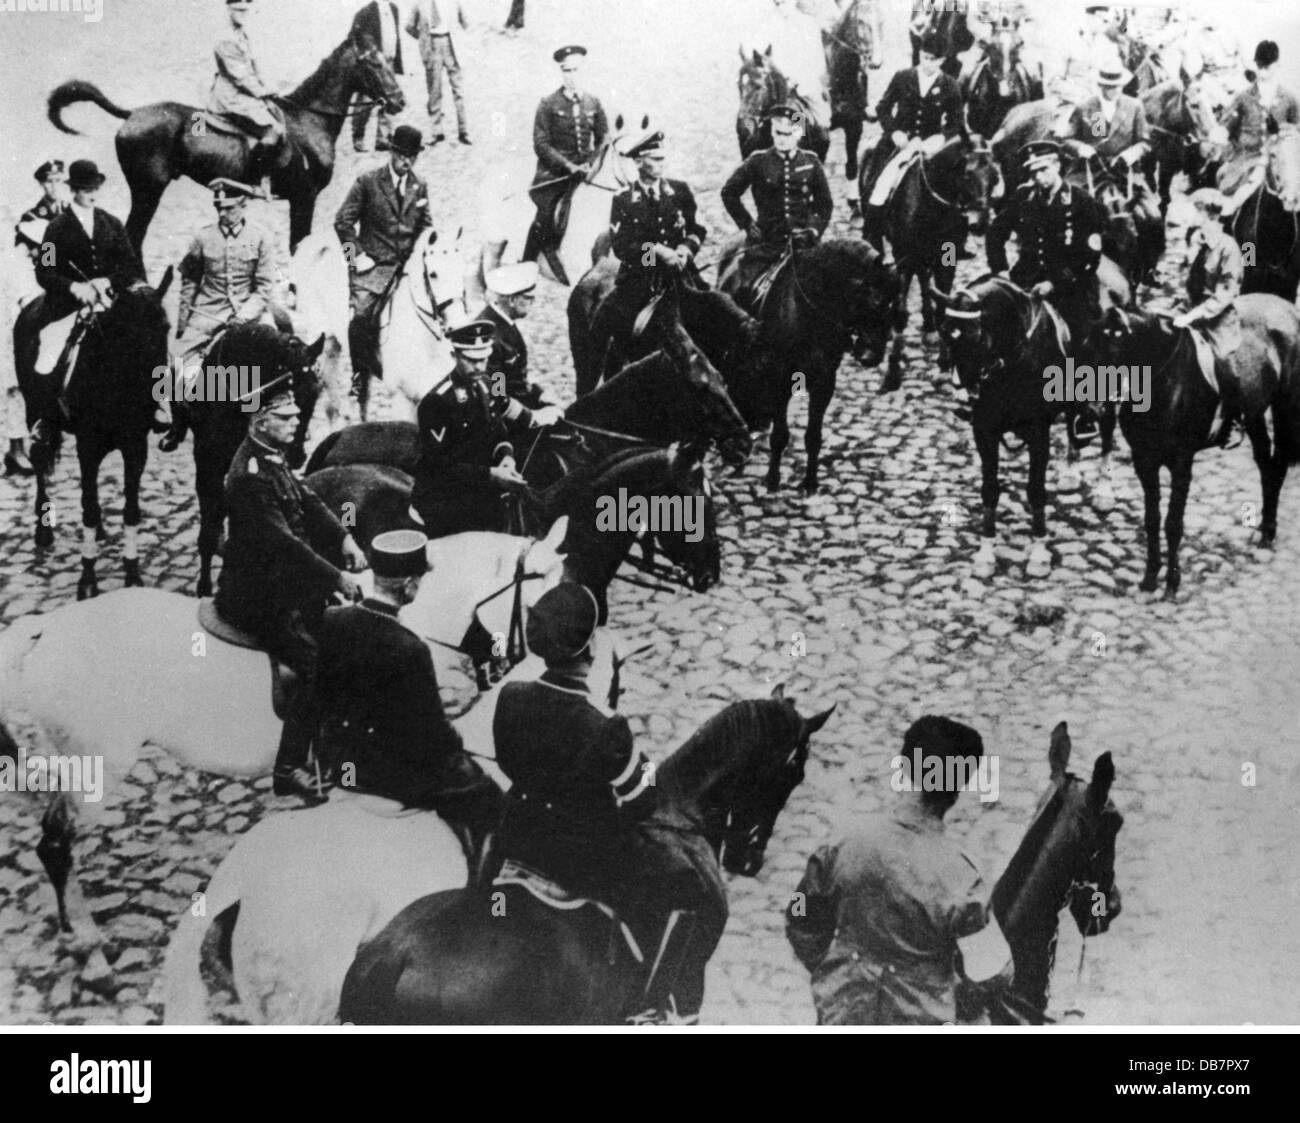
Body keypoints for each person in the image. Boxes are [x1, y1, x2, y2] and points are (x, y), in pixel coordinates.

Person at [493, 582, 713, 1023]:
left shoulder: (511, 697)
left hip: (518, 834)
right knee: (688, 891)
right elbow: (642, 797)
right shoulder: (604, 724)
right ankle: (653, 1004)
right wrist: (644, 765)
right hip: (581, 857)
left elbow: (506, 760)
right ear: (590, 646)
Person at [785, 716, 1011, 1025]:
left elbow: (799, 913)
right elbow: (991, 975)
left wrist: (832, 969)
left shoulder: (842, 842)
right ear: (960, 786)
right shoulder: (963, 879)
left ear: (903, 768)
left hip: (843, 1015)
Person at [315, 529, 503, 879]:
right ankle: (480, 892)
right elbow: (432, 737)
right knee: (492, 804)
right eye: (419, 580)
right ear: (408, 586)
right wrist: (462, 742)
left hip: (342, 758)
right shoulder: (410, 648)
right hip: (392, 775)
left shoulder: (334, 620)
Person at [214, 379, 368, 800]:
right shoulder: (248, 476)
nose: (296, 422)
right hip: (257, 596)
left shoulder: (270, 457)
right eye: (286, 417)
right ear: (262, 422)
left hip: (284, 583)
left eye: (296, 415)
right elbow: (285, 544)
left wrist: (343, 539)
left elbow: (309, 499)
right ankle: (288, 767)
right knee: (316, 665)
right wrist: (335, 577)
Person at [987, 140, 1105, 439]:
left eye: (1043, 170)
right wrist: (1001, 272)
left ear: (1057, 167)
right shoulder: (1023, 197)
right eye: (1032, 171)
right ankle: (987, 395)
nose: (1037, 177)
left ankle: (1084, 410)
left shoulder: (1080, 201)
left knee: (1083, 336)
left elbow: (1089, 256)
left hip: (1070, 285)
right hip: (1026, 279)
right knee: (994, 326)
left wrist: (1055, 283)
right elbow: (995, 233)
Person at [409, 319, 557, 540]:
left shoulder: (489, 383)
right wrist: (491, 475)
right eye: (471, 360)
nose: (479, 366)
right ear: (455, 356)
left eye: (484, 359)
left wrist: (506, 458)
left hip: (484, 490)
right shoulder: (437, 401)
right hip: (448, 501)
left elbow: (500, 432)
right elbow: (438, 467)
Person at [160, 178, 277, 452]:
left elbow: (264, 288)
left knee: (281, 352)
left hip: (251, 311)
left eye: (229, 208)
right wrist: (183, 324)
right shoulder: (202, 237)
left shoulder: (261, 237)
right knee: (174, 365)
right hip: (208, 312)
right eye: (219, 208)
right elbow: (190, 281)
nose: (223, 214)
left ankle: (282, 422)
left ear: (243, 204)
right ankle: (177, 425)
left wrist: (245, 316)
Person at [30, 160, 146, 431]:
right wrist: (74, 287)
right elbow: (44, 273)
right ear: (74, 191)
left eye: (95, 188)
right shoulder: (56, 228)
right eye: (85, 189)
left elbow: (130, 266)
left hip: (109, 303)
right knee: (48, 352)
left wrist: (107, 280)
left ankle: (149, 408)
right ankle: (45, 420)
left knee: (141, 341)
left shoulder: (112, 224)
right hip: (68, 307)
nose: (91, 194)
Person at [591, 130, 707, 378]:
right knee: (612, 326)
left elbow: (696, 228)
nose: (660, 165)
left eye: (663, 159)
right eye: (654, 159)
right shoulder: (623, 199)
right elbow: (622, 246)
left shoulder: (679, 191)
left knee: (711, 311)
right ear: (639, 162)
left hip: (680, 273)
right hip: (641, 279)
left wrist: (685, 249)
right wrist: (655, 252)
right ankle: (612, 377)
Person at [334, 124, 431, 396]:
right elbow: (343, 222)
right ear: (392, 152)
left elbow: (426, 225)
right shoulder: (368, 182)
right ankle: (358, 375)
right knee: (362, 316)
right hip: (373, 268)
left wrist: (422, 253)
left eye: (412, 156)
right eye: (402, 155)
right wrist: (357, 258)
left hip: (407, 266)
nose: (407, 162)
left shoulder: (419, 185)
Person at [861, 30, 964, 252]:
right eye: (925, 58)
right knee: (881, 185)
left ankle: (953, 246)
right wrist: (894, 132)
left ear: (942, 61)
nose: (928, 63)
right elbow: (883, 108)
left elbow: (956, 122)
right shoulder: (903, 77)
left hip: (931, 143)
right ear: (919, 55)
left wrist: (941, 137)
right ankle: (872, 234)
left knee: (954, 192)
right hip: (900, 142)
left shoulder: (950, 85)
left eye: (933, 60)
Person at [720, 103, 833, 302]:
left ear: (798, 134)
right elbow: (729, 193)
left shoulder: (811, 162)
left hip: (805, 245)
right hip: (767, 244)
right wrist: (747, 224)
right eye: (777, 133)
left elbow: (824, 204)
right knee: (744, 293)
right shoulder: (758, 161)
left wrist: (814, 230)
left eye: (787, 134)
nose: (782, 139)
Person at [6, 159, 68, 475]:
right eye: (50, 181)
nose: (56, 186)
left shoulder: (73, 214)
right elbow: (35, 267)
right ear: (42, 185)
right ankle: (24, 437)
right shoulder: (33, 220)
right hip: (38, 291)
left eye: (61, 180)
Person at [523, 45, 609, 274]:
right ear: (561, 72)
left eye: (576, 70)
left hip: (587, 172)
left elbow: (604, 138)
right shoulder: (548, 104)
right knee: (546, 215)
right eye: (566, 70)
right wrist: (568, 166)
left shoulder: (594, 102)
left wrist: (592, 162)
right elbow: (541, 144)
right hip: (555, 174)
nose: (572, 76)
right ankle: (529, 261)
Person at [1176, 187, 1245, 445]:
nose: (1187, 217)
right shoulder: (1195, 241)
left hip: (1217, 318)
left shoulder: (1229, 247)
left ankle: (1234, 421)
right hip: (1187, 309)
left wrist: (1196, 314)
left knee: (1225, 365)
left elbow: (1226, 292)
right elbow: (1187, 278)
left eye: (1192, 211)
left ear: (1206, 214)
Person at [1216, 40, 1300, 218]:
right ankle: (1233, 237)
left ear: (1277, 65)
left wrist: (1285, 137)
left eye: (1267, 67)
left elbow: (1296, 134)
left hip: (1281, 163)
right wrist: (1226, 142)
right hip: (1247, 161)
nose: (1262, 71)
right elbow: (1225, 129)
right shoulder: (1243, 97)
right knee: (1231, 204)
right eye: (1260, 66)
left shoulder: (1289, 99)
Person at [207, 0, 283, 187]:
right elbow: (239, 75)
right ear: (229, 9)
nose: (243, 15)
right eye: (238, 10)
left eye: (245, 11)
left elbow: (253, 67)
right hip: (231, 97)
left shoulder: (240, 34)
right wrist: (262, 93)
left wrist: (269, 87)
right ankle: (252, 180)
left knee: (277, 111)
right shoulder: (226, 38)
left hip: (242, 91)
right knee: (272, 130)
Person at [1054, 63, 1150, 190]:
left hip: (1124, 171)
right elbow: (1066, 140)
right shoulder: (1085, 106)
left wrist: (1131, 155)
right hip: (1091, 170)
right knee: (1071, 200)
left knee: (1149, 208)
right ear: (1101, 86)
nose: (1116, 90)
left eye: (1119, 86)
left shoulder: (1134, 106)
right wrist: (1082, 149)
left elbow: (1144, 143)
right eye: (1110, 87)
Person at [470, 261, 548, 408]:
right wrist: (533, 416)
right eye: (528, 298)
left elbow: (515, 380)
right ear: (512, 300)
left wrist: (539, 394)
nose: (533, 302)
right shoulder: (491, 338)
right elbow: (497, 392)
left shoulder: (503, 322)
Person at [406, 0, 471, 146]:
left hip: (451, 46)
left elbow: (466, 23)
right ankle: (436, 131)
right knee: (434, 91)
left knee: (458, 90)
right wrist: (423, 39)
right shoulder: (420, 4)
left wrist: (459, 41)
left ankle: (463, 131)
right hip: (431, 46)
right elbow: (409, 26)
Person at [349, 1, 405, 153]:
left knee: (389, 99)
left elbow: (395, 36)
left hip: (389, 61)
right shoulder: (365, 12)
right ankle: (358, 136)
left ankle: (383, 138)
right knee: (366, 101)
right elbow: (356, 40)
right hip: (372, 66)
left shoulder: (394, 8)